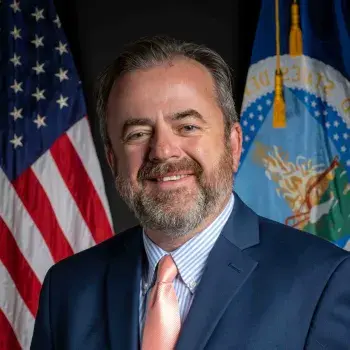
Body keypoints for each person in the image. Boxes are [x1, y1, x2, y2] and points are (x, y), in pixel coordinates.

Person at [31, 36, 350, 350]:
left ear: (234, 145)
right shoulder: (67, 289)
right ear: (113, 160)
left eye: (187, 126)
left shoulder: (324, 282)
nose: (163, 150)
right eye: (138, 133)